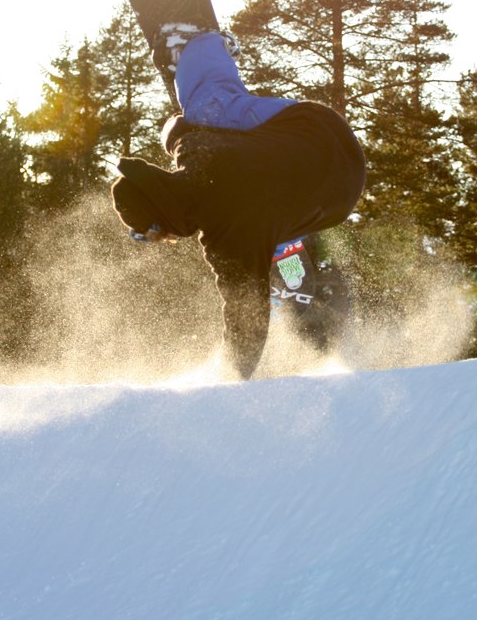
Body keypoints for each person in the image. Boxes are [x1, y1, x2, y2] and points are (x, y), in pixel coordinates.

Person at [111, 27, 366, 380]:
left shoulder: (225, 237)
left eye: (150, 234)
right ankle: (197, 52)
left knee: (207, 116)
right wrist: (174, 130)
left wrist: (225, 379)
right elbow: (185, 134)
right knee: (203, 111)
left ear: (160, 219)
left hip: (339, 196)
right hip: (321, 135)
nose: (161, 240)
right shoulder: (196, 151)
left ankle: (191, 42)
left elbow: (245, 320)